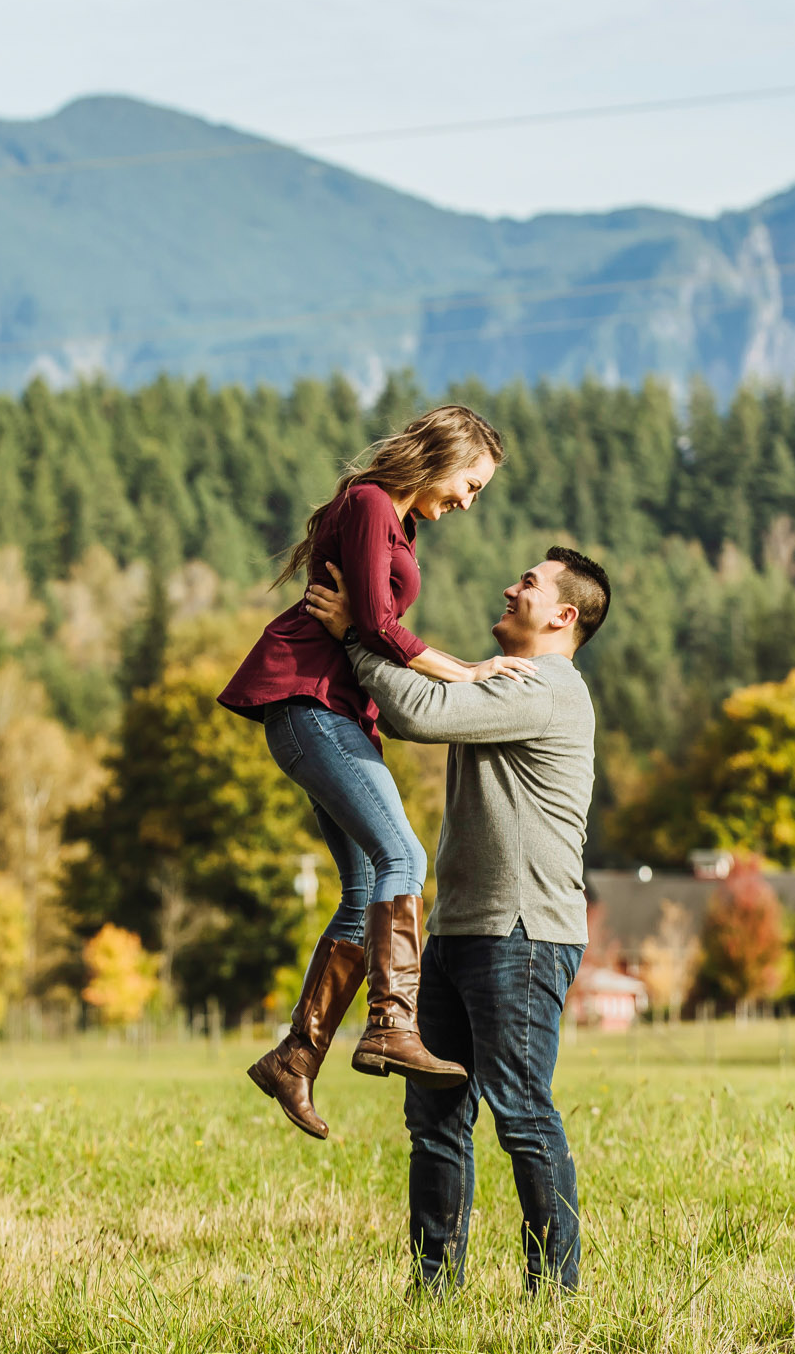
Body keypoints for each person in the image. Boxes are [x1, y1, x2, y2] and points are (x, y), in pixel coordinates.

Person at [219, 405, 533, 1139]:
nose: (469, 500)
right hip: (310, 704)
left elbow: (367, 626)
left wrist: (441, 666)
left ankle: (297, 1056)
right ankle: (391, 1023)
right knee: (405, 855)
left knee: (367, 883)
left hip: (337, 711)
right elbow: (378, 628)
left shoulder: (396, 520)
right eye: (471, 483)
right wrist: (471, 671)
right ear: (441, 457)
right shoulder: (367, 504)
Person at [303, 544, 609, 1295]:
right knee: (435, 1121)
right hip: (456, 932)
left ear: (564, 616)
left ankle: (555, 1296)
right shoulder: (508, 678)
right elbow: (427, 692)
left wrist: (354, 632)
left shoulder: (549, 687)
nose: (511, 587)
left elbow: (413, 710)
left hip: (523, 934)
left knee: (521, 1113)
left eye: (528, 585)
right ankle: (434, 1292)